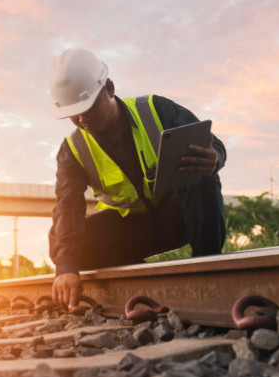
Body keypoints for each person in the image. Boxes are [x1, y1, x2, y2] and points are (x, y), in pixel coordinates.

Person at [48, 48, 227, 309]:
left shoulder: (156, 110)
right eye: (73, 114)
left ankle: (206, 266)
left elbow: (211, 145)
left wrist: (215, 157)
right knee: (68, 243)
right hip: (132, 231)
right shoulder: (72, 151)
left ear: (109, 88)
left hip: (179, 218)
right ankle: (145, 277)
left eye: (88, 107)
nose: (82, 119)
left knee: (199, 169)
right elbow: (67, 207)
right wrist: (65, 267)